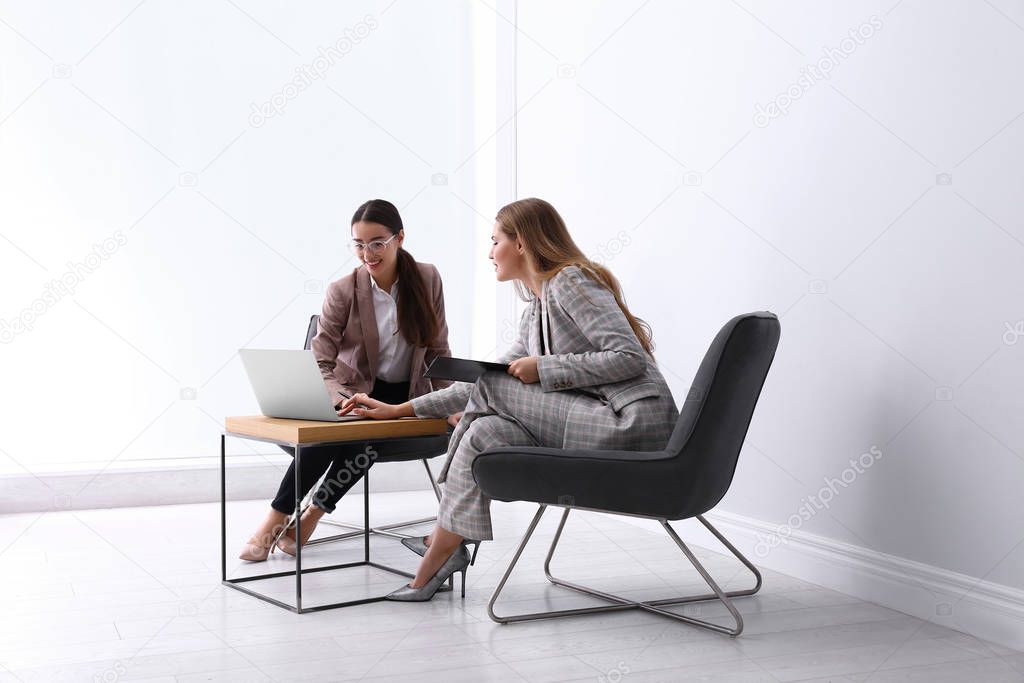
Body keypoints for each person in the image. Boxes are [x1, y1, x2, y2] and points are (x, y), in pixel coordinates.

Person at [338, 197, 679, 600]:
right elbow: (482, 380)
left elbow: (629, 357)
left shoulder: (571, 280)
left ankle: (440, 537)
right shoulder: (535, 310)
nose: (489, 252)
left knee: (494, 391)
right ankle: (444, 550)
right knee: (486, 430)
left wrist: (546, 369)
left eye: (495, 240)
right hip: (592, 420)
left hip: (631, 422)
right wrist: (399, 409)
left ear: (521, 244)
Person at [239, 198, 455, 561]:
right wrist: (342, 400)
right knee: (342, 435)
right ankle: (282, 518)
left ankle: (305, 517)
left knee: (364, 435)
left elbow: (439, 351)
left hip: (405, 398)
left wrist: (449, 404)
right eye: (358, 244)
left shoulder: (427, 277)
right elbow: (319, 361)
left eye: (376, 243)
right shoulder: (343, 290)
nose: (367, 253)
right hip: (352, 394)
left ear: (399, 238)